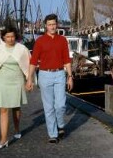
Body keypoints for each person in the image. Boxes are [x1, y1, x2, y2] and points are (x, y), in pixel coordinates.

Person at [26, 14, 73, 143]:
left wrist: (70, 76)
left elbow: (67, 60)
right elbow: (33, 61)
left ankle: (60, 125)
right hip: (44, 75)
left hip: (59, 74)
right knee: (49, 107)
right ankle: (53, 134)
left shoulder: (62, 40)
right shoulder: (40, 41)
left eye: (54, 24)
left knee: (60, 105)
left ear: (56, 25)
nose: (52, 26)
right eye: (49, 24)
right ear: (45, 26)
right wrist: (29, 79)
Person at [0, 26, 31, 149]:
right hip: (2, 81)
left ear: (16, 37)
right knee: (3, 110)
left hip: (17, 80)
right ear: (3, 37)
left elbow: (30, 64)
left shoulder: (22, 49)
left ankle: (17, 129)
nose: (10, 39)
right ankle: (3, 140)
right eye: (7, 36)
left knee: (16, 107)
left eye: (12, 36)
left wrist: (29, 80)